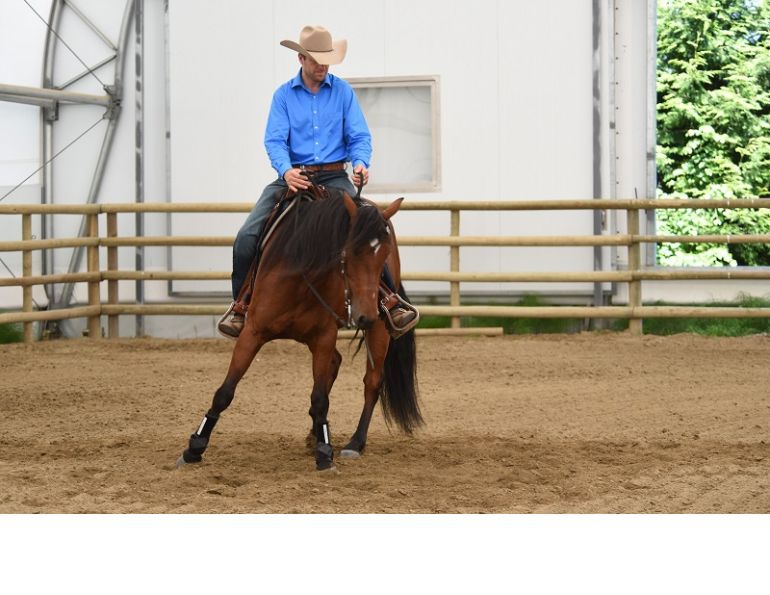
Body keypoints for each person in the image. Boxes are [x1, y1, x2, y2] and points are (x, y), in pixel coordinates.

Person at [218, 25, 417, 339]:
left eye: (327, 60)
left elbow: (359, 136)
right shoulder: (283, 95)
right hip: (292, 177)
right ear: (301, 58)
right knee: (247, 235)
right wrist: (286, 171)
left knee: (368, 230)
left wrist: (361, 163)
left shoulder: (343, 92)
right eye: (316, 59)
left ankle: (391, 300)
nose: (323, 65)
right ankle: (241, 305)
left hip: (336, 176)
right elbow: (274, 141)